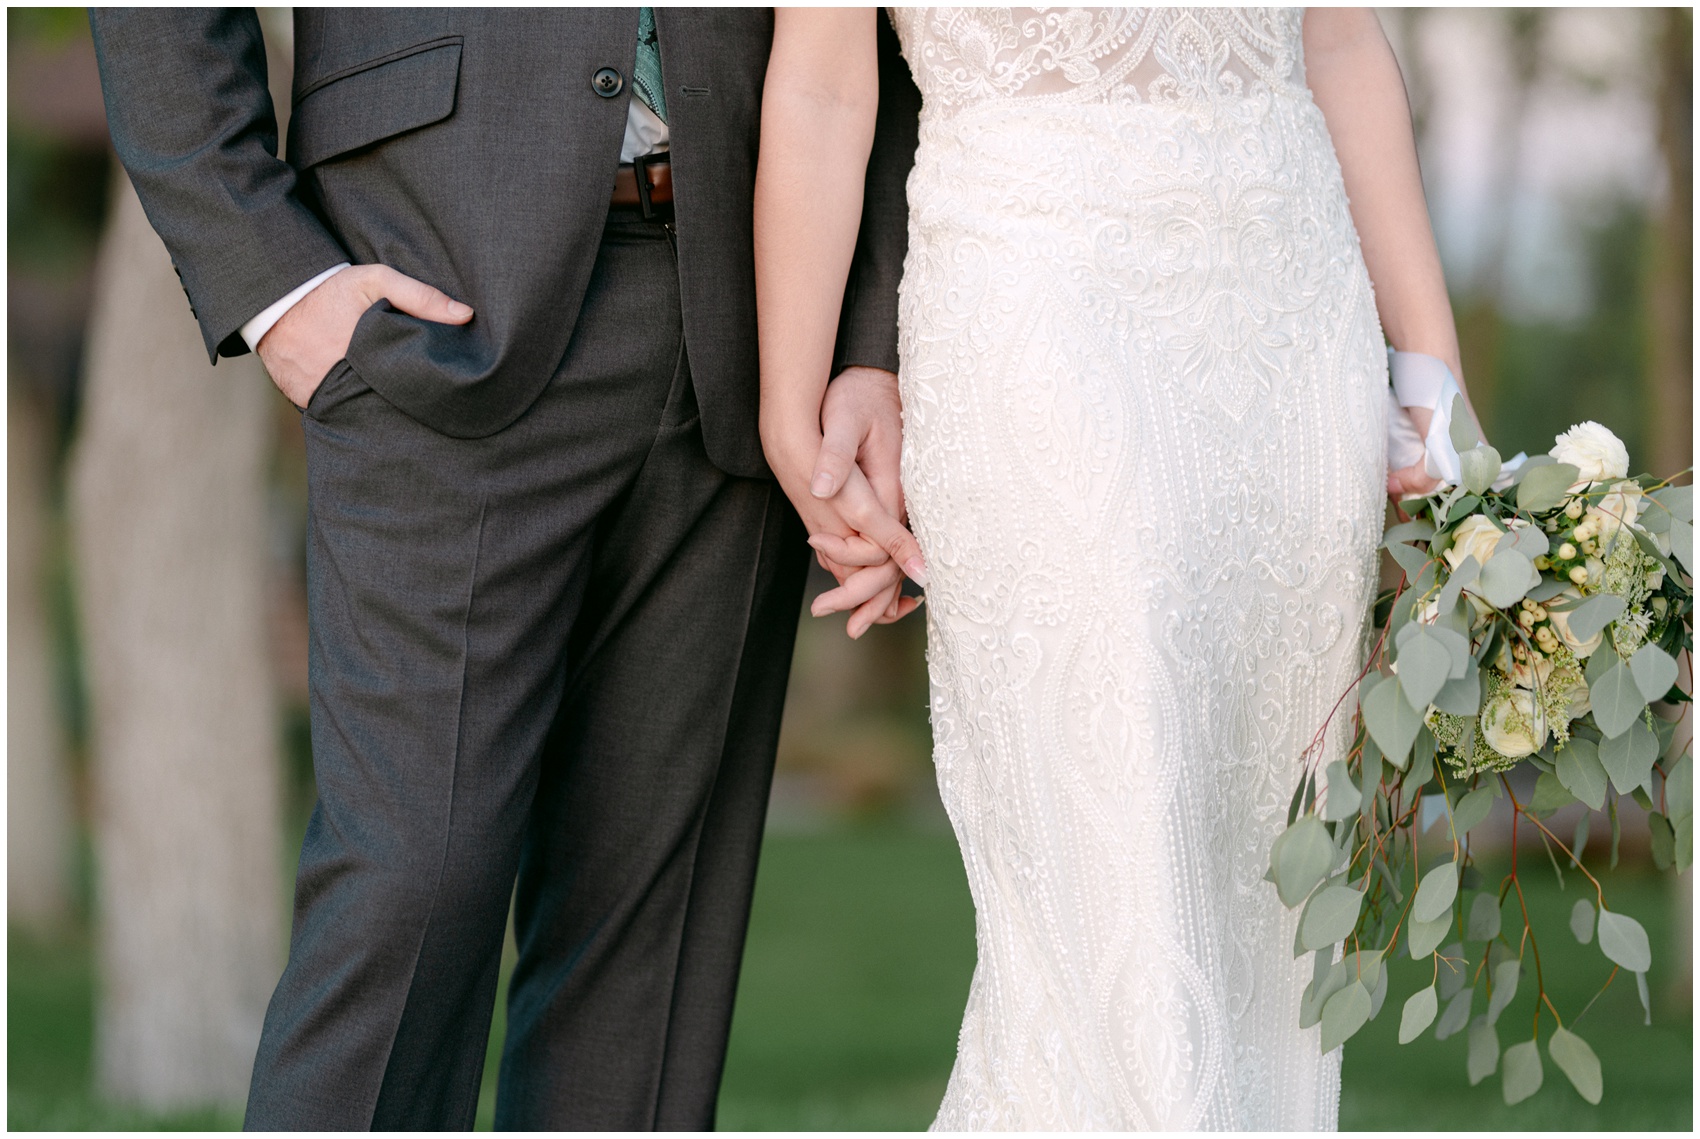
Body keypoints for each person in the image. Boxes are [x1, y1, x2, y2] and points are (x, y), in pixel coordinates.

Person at [89, 9, 923, 1129]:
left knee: (647, 952)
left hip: (757, 302)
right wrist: (272, 282)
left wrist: (866, 336)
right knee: (407, 891)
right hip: (431, 289)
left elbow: (886, 41)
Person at [757, 7, 1477, 1129]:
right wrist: (787, 406)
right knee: (1116, 842)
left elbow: (1336, 38)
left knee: (1261, 904)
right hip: (1032, 284)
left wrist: (1429, 370)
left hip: (1285, 311)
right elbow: (820, 89)